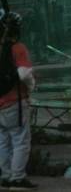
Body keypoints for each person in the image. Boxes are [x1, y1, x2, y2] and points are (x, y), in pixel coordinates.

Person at [0, 10, 37, 191]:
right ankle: (17, 178)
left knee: (2, 141)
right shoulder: (18, 48)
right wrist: (30, 89)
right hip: (15, 103)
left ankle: (5, 176)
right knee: (20, 141)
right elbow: (24, 74)